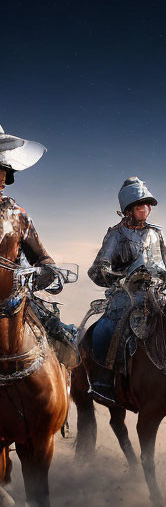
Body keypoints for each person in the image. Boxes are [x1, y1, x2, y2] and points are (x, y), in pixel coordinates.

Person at [86, 177, 166, 402]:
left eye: (148, 204)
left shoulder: (157, 233)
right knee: (109, 327)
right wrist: (122, 279)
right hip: (126, 297)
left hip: (157, 294)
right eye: (142, 205)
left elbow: (164, 266)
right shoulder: (116, 234)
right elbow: (97, 270)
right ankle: (104, 379)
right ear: (129, 210)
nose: (147, 209)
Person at [0, 123, 76, 346]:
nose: (3, 177)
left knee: (62, 341)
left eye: (4, 170)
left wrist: (42, 274)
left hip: (13, 301)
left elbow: (43, 259)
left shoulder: (17, 216)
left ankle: (82, 380)